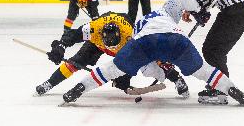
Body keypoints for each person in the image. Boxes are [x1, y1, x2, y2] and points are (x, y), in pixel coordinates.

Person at [62, 0, 244, 106]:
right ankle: (233, 90)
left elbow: (147, 68)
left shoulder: (137, 27)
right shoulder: (165, 11)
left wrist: (161, 72)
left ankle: (79, 88)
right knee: (204, 72)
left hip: (145, 43)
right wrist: (198, 11)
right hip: (177, 41)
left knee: (110, 69)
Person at [35, 12, 188, 97]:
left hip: (125, 49)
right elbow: (72, 35)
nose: (111, 48)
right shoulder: (93, 29)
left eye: (113, 45)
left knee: (148, 62)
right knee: (75, 62)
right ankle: (50, 82)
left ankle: (177, 79)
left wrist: (124, 77)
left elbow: (148, 54)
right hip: (97, 44)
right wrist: (60, 47)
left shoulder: (131, 36)